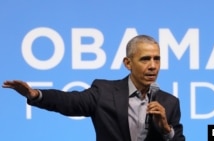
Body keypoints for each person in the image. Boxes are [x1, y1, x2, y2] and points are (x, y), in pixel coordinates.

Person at [2, 35, 185, 141]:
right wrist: (36, 95)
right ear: (128, 63)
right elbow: (71, 102)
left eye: (157, 59)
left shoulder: (169, 103)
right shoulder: (104, 92)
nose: (153, 66)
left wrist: (166, 129)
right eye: (145, 59)